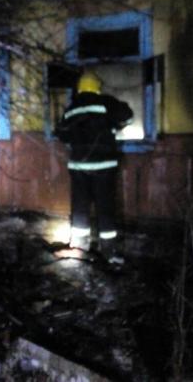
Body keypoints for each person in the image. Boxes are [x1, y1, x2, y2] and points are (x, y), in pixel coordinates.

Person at [55, 69, 133, 264]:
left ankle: (79, 246)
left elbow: (62, 134)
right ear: (97, 87)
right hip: (104, 166)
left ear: (80, 88)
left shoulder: (71, 108)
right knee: (105, 206)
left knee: (80, 206)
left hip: (78, 167)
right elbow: (128, 117)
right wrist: (113, 127)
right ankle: (108, 250)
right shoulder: (106, 103)